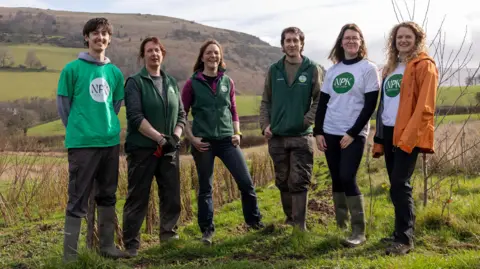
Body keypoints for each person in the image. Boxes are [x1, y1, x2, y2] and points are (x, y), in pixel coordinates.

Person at [57, 17, 128, 261]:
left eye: (104, 34)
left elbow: (115, 105)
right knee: (77, 199)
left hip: (109, 143)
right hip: (82, 145)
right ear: (86, 38)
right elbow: (64, 106)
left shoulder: (115, 73)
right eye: (94, 33)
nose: (100, 37)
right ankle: (70, 257)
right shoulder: (72, 69)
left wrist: (103, 126)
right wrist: (81, 128)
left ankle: (107, 248)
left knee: (107, 196)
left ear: (109, 39)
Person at [181, 39, 264, 245]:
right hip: (204, 143)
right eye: (209, 53)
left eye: (216, 53)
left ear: (221, 57)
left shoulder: (228, 82)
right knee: (205, 188)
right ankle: (207, 231)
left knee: (246, 183)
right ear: (202, 57)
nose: (213, 56)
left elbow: (234, 110)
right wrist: (192, 138)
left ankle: (254, 223)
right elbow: (182, 113)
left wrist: (238, 133)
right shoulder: (192, 83)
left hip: (228, 141)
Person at [372, 21, 438, 255]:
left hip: (407, 133)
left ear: (417, 39)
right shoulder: (391, 68)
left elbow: (425, 108)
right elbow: (385, 105)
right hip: (389, 131)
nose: (403, 41)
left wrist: (408, 138)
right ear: (394, 41)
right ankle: (398, 232)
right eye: (399, 37)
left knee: (401, 183)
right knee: (395, 184)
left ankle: (405, 239)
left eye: (408, 37)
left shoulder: (424, 66)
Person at [313, 23, 380, 247]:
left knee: (347, 176)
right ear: (341, 43)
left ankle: (358, 231)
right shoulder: (332, 71)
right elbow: (322, 104)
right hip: (330, 131)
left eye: (355, 37)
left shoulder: (368, 69)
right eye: (347, 38)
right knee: (336, 177)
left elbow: (370, 105)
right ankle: (340, 225)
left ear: (361, 42)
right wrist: (318, 132)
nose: (351, 41)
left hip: (354, 134)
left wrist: (352, 133)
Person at [121, 36, 187, 257]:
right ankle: (131, 245)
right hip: (142, 150)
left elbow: (181, 115)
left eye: (157, 50)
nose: (154, 54)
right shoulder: (134, 82)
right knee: (138, 197)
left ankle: (169, 236)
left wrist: (174, 139)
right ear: (143, 56)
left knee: (171, 195)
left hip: (169, 150)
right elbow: (135, 116)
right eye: (149, 50)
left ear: (163, 54)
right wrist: (160, 139)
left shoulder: (171, 83)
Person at [259, 26, 323, 231]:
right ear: (282, 45)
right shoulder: (274, 69)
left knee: (300, 179)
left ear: (301, 44)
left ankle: (300, 225)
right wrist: (264, 125)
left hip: (301, 135)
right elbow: (265, 101)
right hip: (277, 136)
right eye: (288, 41)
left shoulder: (312, 68)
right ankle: (290, 218)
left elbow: (320, 99)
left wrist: (307, 120)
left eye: (296, 40)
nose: (292, 44)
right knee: (282, 180)